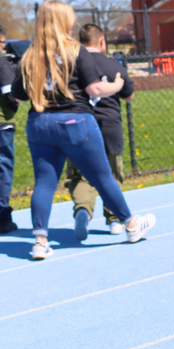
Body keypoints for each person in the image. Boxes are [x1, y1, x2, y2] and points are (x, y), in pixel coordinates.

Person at [12, 1, 154, 259]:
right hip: (75, 122)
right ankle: (131, 225)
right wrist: (118, 84)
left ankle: (40, 242)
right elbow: (95, 89)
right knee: (102, 178)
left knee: (44, 183)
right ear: (63, 21)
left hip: (39, 123)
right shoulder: (74, 50)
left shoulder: (31, 54)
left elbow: (19, 95)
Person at [65, 23, 134, 240]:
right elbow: (128, 95)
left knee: (81, 175)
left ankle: (83, 210)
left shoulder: (72, 65)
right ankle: (114, 220)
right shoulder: (113, 65)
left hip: (81, 125)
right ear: (101, 41)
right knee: (112, 174)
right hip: (110, 125)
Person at [0, 24, 18, 235]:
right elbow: (10, 94)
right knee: (3, 171)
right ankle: (3, 218)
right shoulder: (3, 65)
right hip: (2, 125)